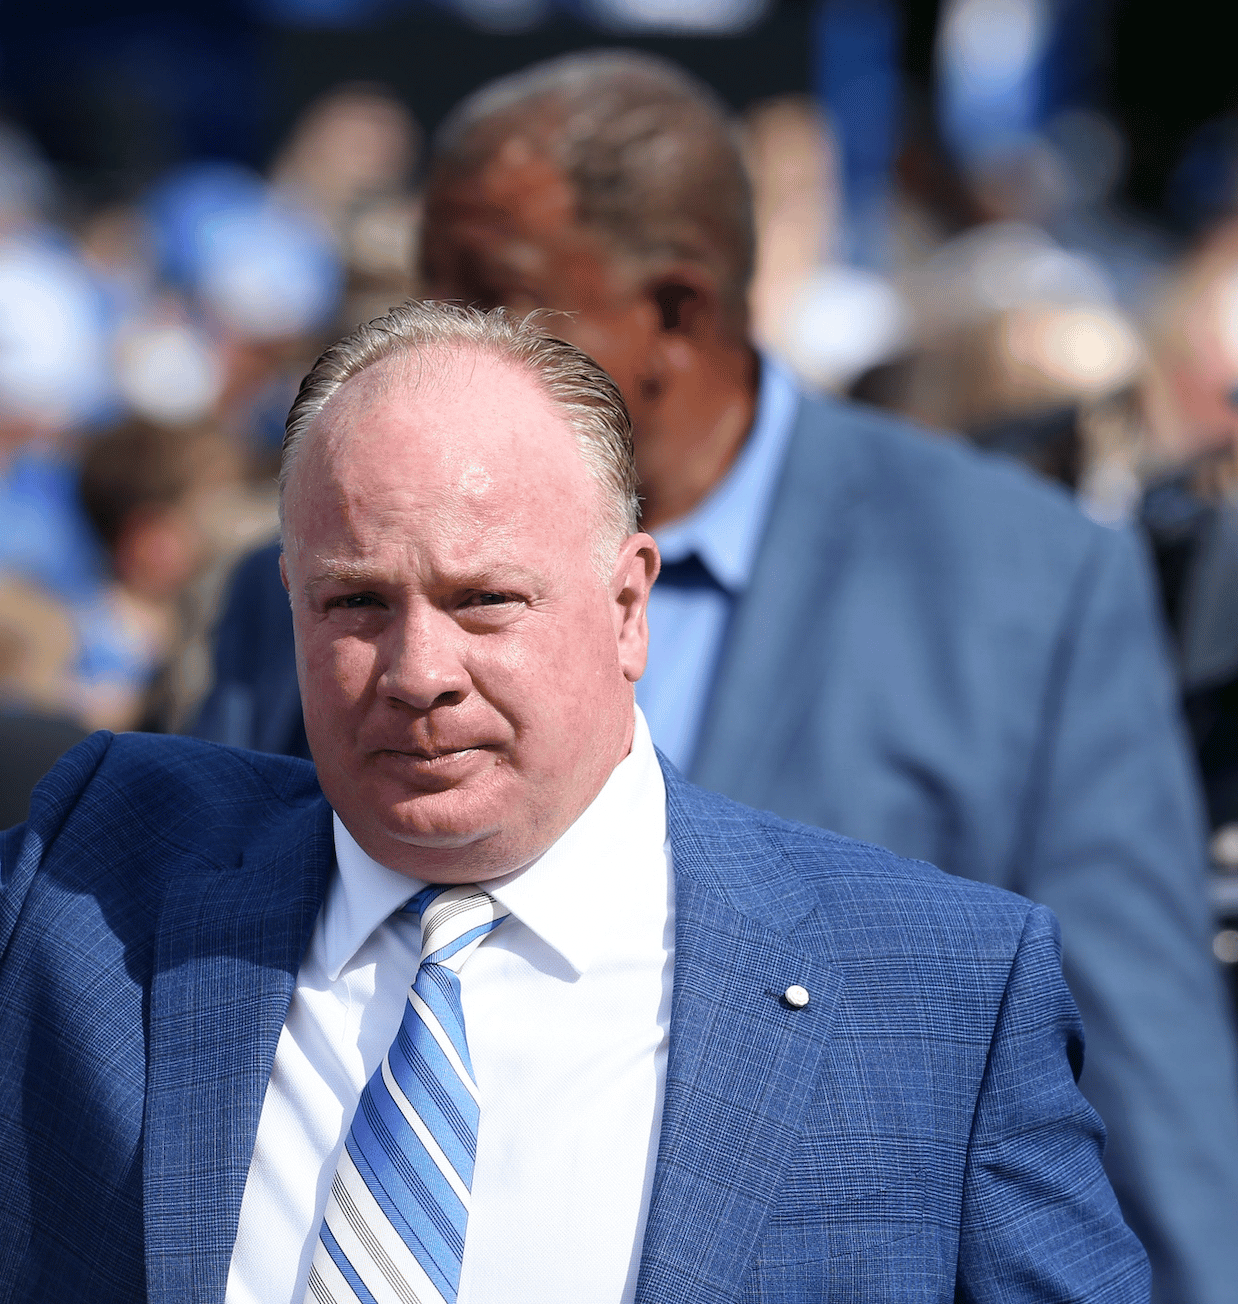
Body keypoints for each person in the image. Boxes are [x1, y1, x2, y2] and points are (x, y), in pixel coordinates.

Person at [0, 171, 1150, 1301]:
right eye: (353, 602)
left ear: (628, 601)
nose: (415, 668)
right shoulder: (102, 883)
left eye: (485, 601)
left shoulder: (930, 990)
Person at [191, 52, 1238, 1303]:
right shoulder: (315, 582)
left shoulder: (1017, 581)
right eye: (427, 280)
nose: (434, 335)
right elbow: (193, 915)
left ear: (676, 311)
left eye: (495, 293)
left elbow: (1144, 1064)